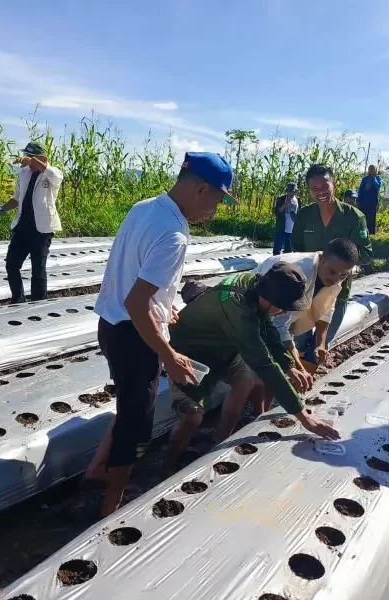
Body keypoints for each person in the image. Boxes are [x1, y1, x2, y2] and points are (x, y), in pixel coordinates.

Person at [87, 152, 236, 517]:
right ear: (201, 189)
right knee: (137, 425)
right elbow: (137, 304)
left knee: (128, 407)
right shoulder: (174, 236)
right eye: (218, 199)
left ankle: (96, 470)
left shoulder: (144, 207)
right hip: (135, 336)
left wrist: (163, 304)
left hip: (110, 325)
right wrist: (170, 357)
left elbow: (131, 276)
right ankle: (112, 506)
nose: (216, 209)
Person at [165, 264, 341, 468]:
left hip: (224, 345)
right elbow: (264, 364)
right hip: (189, 353)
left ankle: (220, 442)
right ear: (269, 297)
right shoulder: (238, 311)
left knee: (246, 380)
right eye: (281, 306)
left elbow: (267, 328)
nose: (282, 310)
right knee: (193, 415)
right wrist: (303, 416)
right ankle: (169, 463)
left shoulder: (255, 285)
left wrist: (289, 365)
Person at [292, 164, 373, 357]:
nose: (320, 192)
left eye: (325, 186)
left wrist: (340, 265)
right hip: (308, 289)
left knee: (321, 345)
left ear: (333, 183)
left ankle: (309, 376)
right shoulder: (305, 215)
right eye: (315, 189)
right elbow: (296, 249)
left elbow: (367, 254)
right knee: (300, 342)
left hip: (338, 291)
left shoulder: (353, 217)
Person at [255, 238, 358, 370]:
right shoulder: (297, 274)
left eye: (343, 275)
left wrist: (320, 344)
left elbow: (326, 308)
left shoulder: (335, 272)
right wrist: (296, 365)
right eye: (332, 272)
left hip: (276, 315)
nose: (336, 279)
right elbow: (278, 324)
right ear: (321, 258)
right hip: (254, 308)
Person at [0, 142, 64, 303]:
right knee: (12, 264)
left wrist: (33, 162)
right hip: (22, 227)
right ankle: (18, 300)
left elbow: (54, 175)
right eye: (27, 156)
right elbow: (17, 198)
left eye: (32, 157)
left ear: (43, 158)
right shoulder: (24, 173)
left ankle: (38, 304)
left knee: (38, 270)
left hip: (42, 230)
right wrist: (4, 208)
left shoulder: (53, 173)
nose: (28, 161)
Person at [272, 182, 299, 255]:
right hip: (282, 226)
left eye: (292, 191)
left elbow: (298, 214)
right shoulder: (281, 198)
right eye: (289, 191)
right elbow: (276, 211)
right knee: (277, 249)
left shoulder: (297, 200)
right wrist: (285, 205)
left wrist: (290, 208)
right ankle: (275, 263)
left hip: (292, 228)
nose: (290, 193)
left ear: (295, 191)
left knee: (289, 251)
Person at [357, 164, 382, 234]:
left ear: (375, 170)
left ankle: (371, 233)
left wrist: (373, 179)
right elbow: (361, 190)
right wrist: (358, 201)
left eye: (372, 169)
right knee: (362, 218)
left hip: (372, 202)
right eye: (370, 169)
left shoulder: (378, 178)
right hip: (363, 201)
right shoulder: (365, 179)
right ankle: (362, 232)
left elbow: (378, 187)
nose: (371, 171)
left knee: (371, 218)